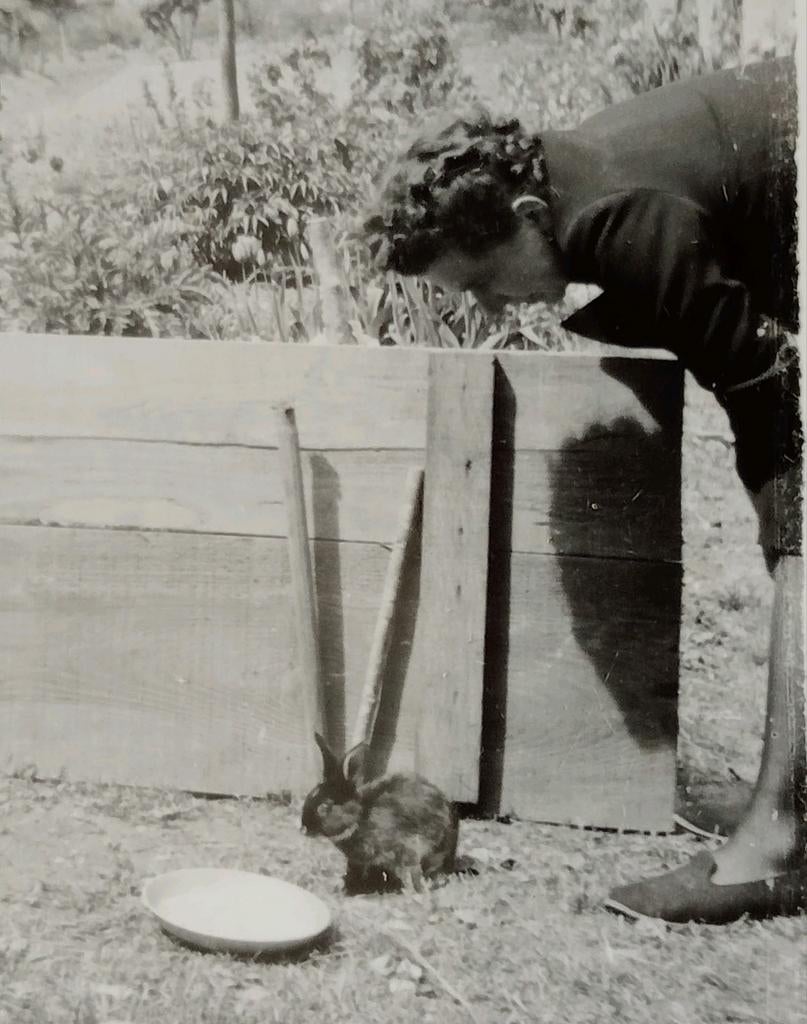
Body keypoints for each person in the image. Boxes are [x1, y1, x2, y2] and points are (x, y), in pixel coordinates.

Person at [362, 56, 804, 924]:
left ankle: (780, 841)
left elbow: (769, 385)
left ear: (529, 217)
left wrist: (778, 515)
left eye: (486, 281)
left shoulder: (611, 215)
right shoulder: (571, 176)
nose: (492, 309)